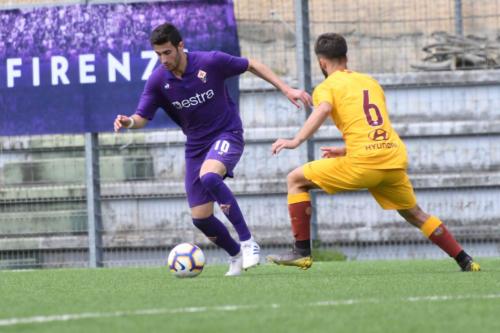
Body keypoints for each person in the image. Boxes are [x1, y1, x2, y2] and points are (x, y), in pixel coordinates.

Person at [267, 33, 480, 272]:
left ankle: (301, 251)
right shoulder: (370, 82)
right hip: (392, 159)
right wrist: (346, 149)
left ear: (322, 63)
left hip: (364, 163)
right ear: (346, 57)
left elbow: (324, 108)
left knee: (295, 180)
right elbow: (376, 126)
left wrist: (296, 140)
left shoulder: (327, 87)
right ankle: (465, 260)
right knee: (416, 215)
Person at [114, 22, 312, 276]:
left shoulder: (210, 62)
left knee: (209, 176)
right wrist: (128, 121)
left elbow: (252, 64)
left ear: (180, 46)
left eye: (167, 52)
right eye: (158, 54)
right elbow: (141, 117)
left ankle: (248, 241)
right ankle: (236, 256)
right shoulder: (158, 81)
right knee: (201, 217)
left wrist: (286, 88)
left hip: (227, 133)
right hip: (196, 146)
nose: (163, 59)